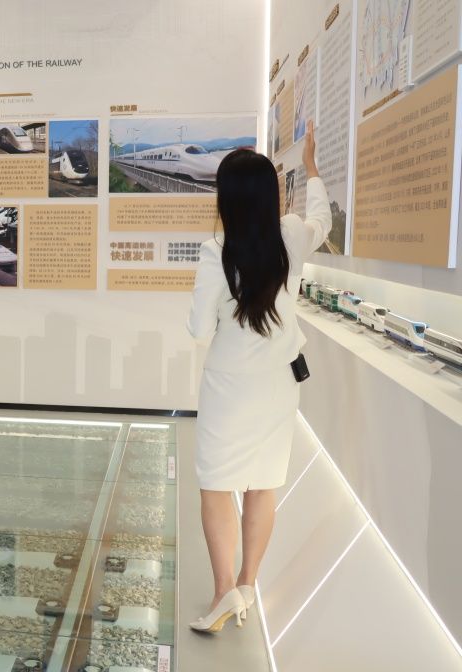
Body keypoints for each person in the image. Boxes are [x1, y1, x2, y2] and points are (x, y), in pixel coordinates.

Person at [186, 122, 330, 632]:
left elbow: (198, 330)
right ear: (271, 195)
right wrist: (311, 168)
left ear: (225, 200)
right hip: (278, 385)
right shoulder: (291, 236)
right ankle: (248, 582)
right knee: (263, 484)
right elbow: (322, 220)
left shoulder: (215, 253)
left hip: (228, 388)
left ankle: (224, 590)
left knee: (216, 485)